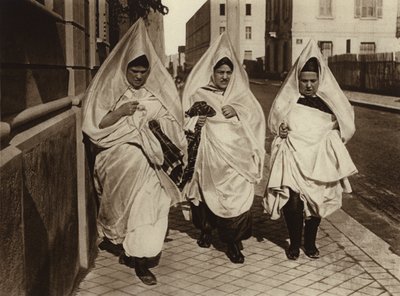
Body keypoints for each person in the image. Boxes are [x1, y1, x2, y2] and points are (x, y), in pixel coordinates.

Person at [82, 19, 186, 285]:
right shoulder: (112, 92)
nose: (139, 76)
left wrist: (152, 127)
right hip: (119, 163)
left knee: (148, 210)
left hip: (151, 167)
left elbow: (173, 125)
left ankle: (142, 262)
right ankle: (128, 247)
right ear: (125, 69)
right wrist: (120, 113)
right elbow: (96, 126)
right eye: (134, 71)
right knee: (124, 211)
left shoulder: (156, 95)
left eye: (143, 71)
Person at [264, 39, 358, 260]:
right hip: (294, 157)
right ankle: (295, 243)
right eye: (304, 80)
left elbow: (347, 126)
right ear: (297, 80)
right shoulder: (288, 101)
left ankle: (310, 241)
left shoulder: (330, 104)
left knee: (317, 200)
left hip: (320, 159)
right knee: (293, 201)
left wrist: (332, 135)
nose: (308, 85)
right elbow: (275, 122)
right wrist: (282, 130)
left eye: (313, 80)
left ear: (320, 80)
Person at [181, 33, 265, 264]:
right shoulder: (200, 93)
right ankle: (207, 229)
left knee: (237, 198)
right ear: (212, 72)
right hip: (210, 155)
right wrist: (196, 122)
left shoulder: (242, 96)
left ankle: (233, 242)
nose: (225, 76)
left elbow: (257, 119)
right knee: (208, 194)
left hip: (238, 158)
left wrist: (238, 111)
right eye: (220, 72)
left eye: (229, 72)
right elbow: (186, 119)